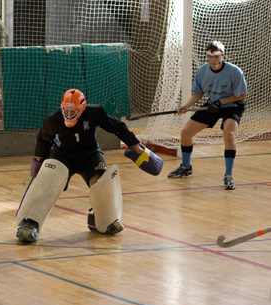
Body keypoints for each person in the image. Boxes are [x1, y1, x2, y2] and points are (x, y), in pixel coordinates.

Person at [16, 88, 163, 243]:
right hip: (63, 155)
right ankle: (30, 222)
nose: (70, 114)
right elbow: (43, 140)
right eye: (67, 110)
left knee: (102, 182)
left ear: (83, 107)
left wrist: (135, 146)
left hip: (90, 154)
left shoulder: (94, 112)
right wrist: (38, 161)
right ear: (62, 106)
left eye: (74, 111)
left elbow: (117, 127)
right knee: (49, 177)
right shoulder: (53, 120)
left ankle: (101, 219)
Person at [167, 41, 248, 190]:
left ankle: (228, 175)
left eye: (216, 56)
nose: (213, 60)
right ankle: (186, 167)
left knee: (229, 134)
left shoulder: (234, 71)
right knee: (186, 132)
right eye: (209, 56)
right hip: (213, 105)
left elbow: (242, 94)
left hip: (232, 106)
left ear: (223, 56)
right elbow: (198, 92)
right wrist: (186, 106)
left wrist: (222, 102)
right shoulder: (202, 71)